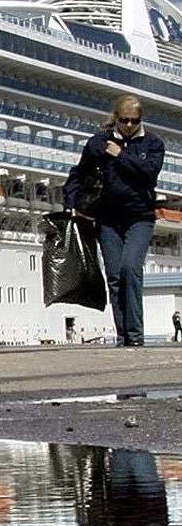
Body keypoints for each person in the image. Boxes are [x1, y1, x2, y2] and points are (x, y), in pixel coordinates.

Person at [67, 94, 166, 347]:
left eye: (135, 120)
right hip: (107, 218)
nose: (130, 125)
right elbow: (79, 173)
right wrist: (72, 204)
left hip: (140, 217)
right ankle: (124, 336)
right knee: (114, 276)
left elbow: (150, 175)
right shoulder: (98, 143)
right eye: (125, 120)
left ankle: (135, 336)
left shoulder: (153, 144)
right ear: (116, 117)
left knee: (130, 268)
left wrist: (120, 155)